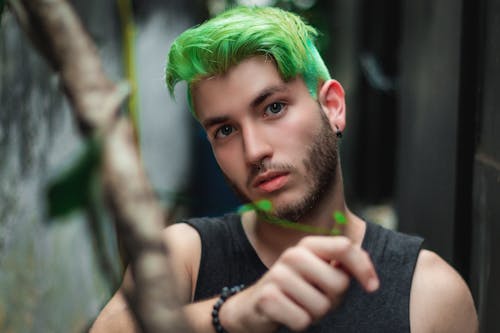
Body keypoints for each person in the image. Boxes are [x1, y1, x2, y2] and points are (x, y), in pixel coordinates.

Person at [91, 6, 478, 332]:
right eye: (225, 130)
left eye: (273, 108)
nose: (254, 150)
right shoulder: (188, 255)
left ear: (333, 107)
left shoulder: (426, 292)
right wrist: (232, 314)